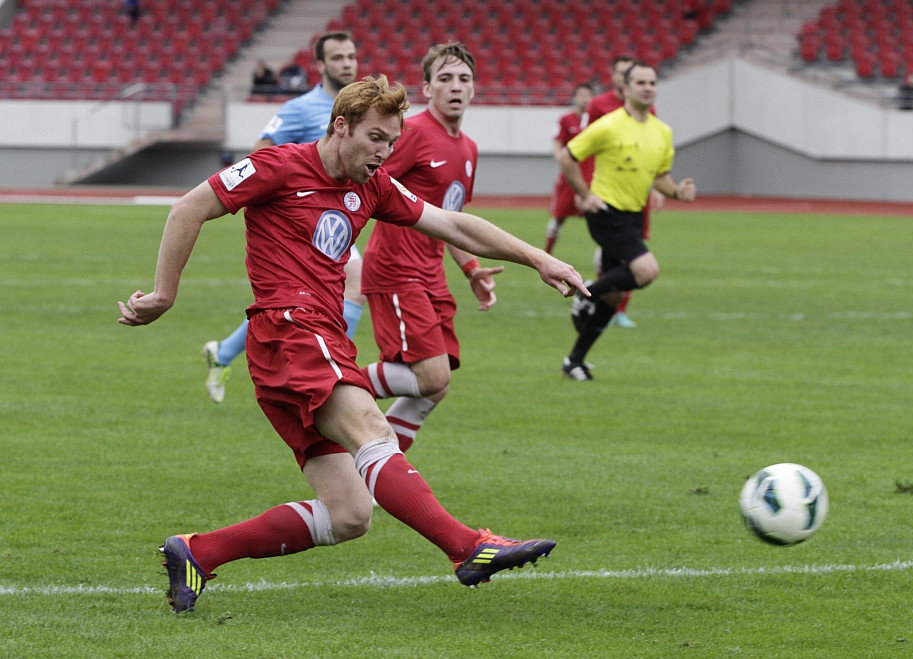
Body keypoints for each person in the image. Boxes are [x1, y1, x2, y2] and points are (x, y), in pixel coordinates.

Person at [117, 75, 586, 613]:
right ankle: (467, 547)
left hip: (310, 341)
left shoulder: (375, 185)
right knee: (373, 428)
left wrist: (539, 259)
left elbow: (452, 225)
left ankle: (200, 552)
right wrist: (164, 294)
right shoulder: (278, 166)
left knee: (349, 514)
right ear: (341, 126)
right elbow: (188, 207)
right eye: (375, 139)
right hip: (290, 329)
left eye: (391, 142)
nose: (384, 153)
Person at [201, 31, 363, 404]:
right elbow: (260, 152)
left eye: (351, 56)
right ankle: (339, 372)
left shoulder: (359, 111)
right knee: (351, 282)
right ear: (320, 65)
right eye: (338, 58)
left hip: (335, 224)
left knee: (301, 302)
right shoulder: (299, 109)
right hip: (301, 227)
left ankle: (223, 353)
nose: (347, 64)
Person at [361, 43, 489, 452]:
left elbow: (452, 221)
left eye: (464, 79)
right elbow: (366, 184)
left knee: (436, 386)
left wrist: (472, 270)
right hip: (396, 270)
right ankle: (328, 383)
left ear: (473, 88)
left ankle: (376, 470)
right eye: (445, 78)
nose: (456, 86)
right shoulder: (412, 133)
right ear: (428, 88)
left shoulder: (468, 148)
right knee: (433, 377)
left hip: (432, 276)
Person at [556, 62, 696, 381]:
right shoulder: (609, 125)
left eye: (652, 83)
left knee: (613, 296)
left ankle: (574, 360)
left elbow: (659, 176)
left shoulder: (662, 132)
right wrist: (585, 194)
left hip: (633, 215)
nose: (647, 88)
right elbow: (567, 157)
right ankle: (585, 293)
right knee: (646, 271)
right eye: (640, 82)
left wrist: (677, 192)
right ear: (625, 89)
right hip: (605, 212)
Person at [581, 55, 654, 330]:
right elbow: (583, 149)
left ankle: (613, 309)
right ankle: (593, 296)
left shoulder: (647, 109)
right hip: (605, 194)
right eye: (622, 74)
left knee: (629, 256)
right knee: (632, 259)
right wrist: (585, 190)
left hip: (635, 196)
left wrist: (658, 187)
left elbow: (651, 149)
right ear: (616, 78)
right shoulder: (599, 106)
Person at [544, 82, 594, 255]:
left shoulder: (597, 120)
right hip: (569, 178)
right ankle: (547, 253)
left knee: (598, 218)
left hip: (592, 177)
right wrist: (563, 162)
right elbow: (557, 144)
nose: (584, 99)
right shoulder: (566, 119)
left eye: (587, 96)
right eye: (581, 95)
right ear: (575, 98)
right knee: (559, 216)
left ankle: (604, 263)